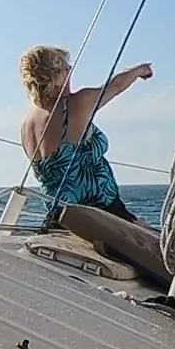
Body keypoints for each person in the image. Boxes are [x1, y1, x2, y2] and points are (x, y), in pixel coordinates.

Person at [18, 45, 152, 228]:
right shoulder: (77, 103)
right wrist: (140, 70)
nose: (71, 72)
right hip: (100, 213)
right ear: (58, 74)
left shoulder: (28, 122)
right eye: (68, 68)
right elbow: (116, 86)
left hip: (60, 216)